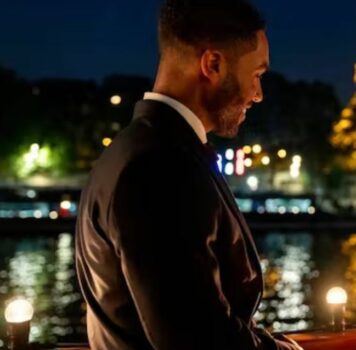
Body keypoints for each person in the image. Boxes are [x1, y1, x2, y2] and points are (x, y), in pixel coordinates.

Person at [75, 1, 301, 349]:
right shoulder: (161, 168)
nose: (258, 95)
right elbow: (200, 338)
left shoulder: (135, 150)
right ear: (212, 64)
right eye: (256, 75)